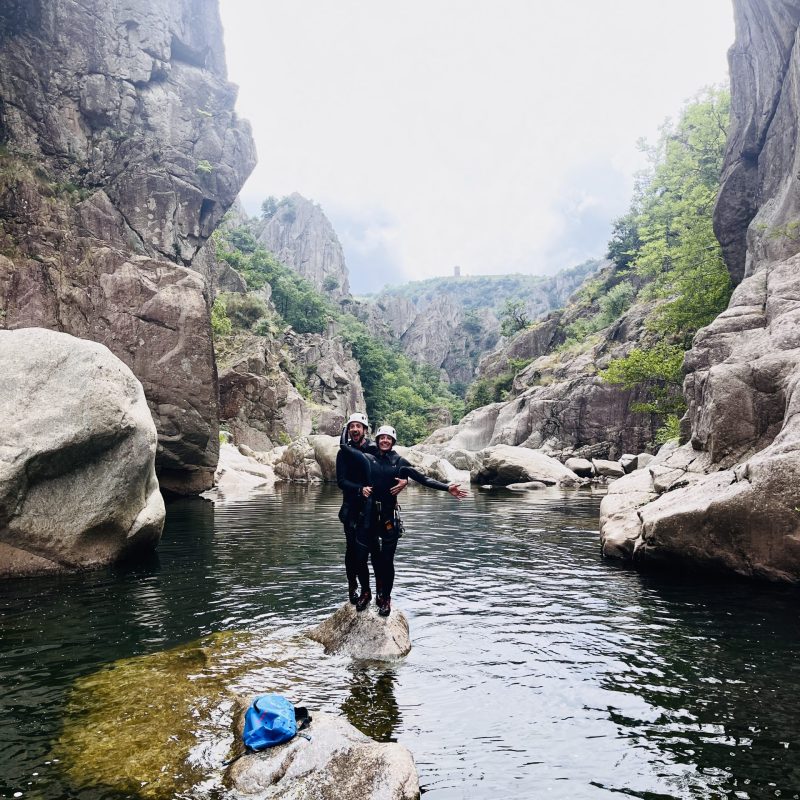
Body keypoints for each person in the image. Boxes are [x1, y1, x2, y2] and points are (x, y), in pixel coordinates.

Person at [353, 424, 468, 617]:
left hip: (388, 517)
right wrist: (359, 488)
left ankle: (385, 598)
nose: (385, 441)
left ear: (393, 442)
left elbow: (423, 479)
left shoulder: (400, 463)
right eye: (382, 437)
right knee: (362, 557)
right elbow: (349, 464)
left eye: (388, 438)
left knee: (387, 562)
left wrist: (447, 488)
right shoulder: (367, 457)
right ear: (377, 440)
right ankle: (366, 592)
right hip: (369, 516)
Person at [336, 412, 403, 605]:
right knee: (352, 551)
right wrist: (359, 489)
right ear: (349, 430)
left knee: (375, 550)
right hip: (351, 507)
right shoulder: (343, 453)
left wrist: (404, 481)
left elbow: (392, 468)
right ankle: (355, 586)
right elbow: (341, 481)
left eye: (358, 426)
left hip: (372, 508)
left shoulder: (374, 449)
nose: (355, 429)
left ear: (365, 430)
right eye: (352, 426)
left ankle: (380, 591)